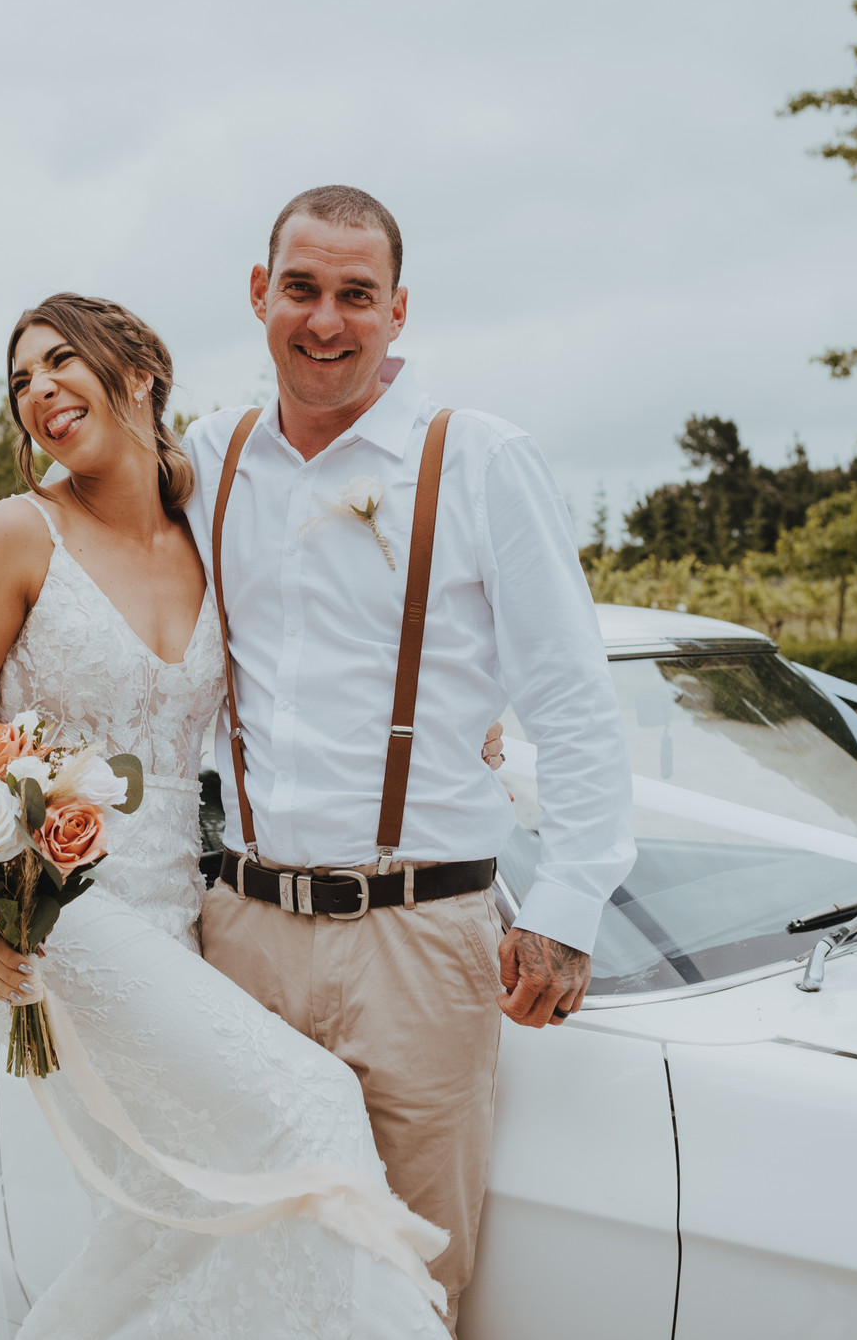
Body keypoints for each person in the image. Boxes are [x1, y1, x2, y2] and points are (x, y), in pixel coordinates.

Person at [0, 292, 449, 1339]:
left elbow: (322, 660)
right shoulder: (12, 535)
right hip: (56, 918)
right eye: (20, 380)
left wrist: (470, 728)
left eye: (61, 361)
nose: (39, 390)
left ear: (140, 372)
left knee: (181, 1211)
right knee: (311, 1100)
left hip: (179, 909)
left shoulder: (211, 533)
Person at [180, 185, 637, 1324]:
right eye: (301, 288)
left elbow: (571, 697)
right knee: (241, 1254)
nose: (324, 320)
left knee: (409, 1269)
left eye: (355, 294)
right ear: (259, 292)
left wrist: (570, 900)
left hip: (421, 939)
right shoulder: (208, 457)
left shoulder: (479, 458)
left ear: (396, 310)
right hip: (239, 930)